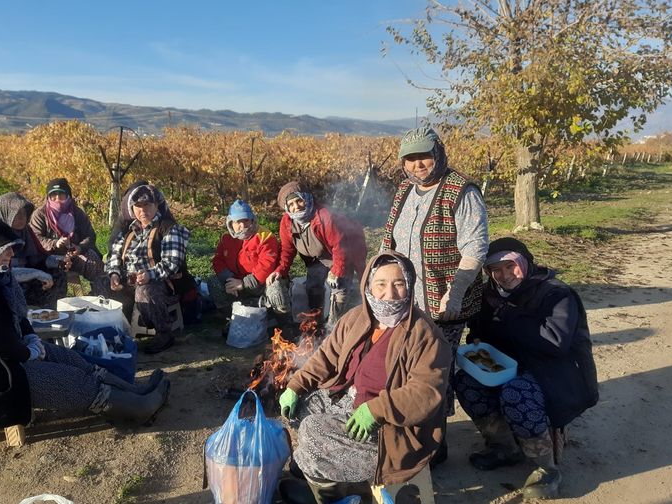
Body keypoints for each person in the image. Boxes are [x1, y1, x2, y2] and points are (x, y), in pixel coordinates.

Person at [0, 214, 170, 434]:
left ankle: (135, 393)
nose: (11, 255)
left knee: (75, 361)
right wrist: (28, 351)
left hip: (4, 357)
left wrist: (30, 337)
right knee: (70, 382)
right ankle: (139, 410)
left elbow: (17, 315)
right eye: (5, 251)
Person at [277, 251, 451, 504]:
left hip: (391, 427)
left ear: (410, 287)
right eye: (380, 284)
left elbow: (426, 392)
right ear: (368, 285)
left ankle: (337, 494)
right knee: (302, 408)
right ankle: (327, 475)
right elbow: (325, 357)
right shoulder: (357, 317)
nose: (389, 294)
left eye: (399, 284)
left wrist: (377, 409)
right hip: (352, 399)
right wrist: (295, 386)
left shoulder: (426, 335)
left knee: (313, 430)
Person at [454, 237, 598, 499]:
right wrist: (477, 340)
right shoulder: (490, 295)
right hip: (505, 367)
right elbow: (481, 331)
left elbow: (555, 342)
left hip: (552, 373)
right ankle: (503, 446)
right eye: (495, 270)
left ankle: (546, 466)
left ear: (525, 262)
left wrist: (510, 314)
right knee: (465, 381)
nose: (504, 275)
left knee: (515, 391)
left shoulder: (556, 294)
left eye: (510, 266)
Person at [380, 126, 488, 464]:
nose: (416, 165)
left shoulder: (461, 191)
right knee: (407, 369)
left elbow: (475, 245)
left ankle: (435, 446)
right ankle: (415, 437)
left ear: (438, 153)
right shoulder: (404, 191)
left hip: (444, 305)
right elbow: (389, 240)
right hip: (407, 303)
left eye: (423, 156)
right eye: (409, 159)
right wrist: (377, 284)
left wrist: (455, 291)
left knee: (435, 374)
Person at [266, 180, 367, 331]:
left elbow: (340, 246)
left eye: (299, 200)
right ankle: (316, 323)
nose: (296, 206)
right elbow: (287, 250)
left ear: (307, 198)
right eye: (291, 204)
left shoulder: (323, 217)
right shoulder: (287, 223)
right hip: (318, 258)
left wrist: (337, 271)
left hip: (348, 249)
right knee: (314, 287)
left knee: (340, 288)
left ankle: (335, 326)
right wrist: (281, 270)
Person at [105, 184, 193, 354]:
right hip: (130, 281)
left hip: (162, 284)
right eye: (138, 206)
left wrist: (150, 275)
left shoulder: (168, 228)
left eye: (147, 205)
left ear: (156, 206)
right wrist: (114, 273)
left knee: (145, 291)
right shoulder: (128, 230)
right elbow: (114, 255)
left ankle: (164, 333)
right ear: (132, 208)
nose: (142, 210)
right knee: (102, 283)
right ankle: (116, 331)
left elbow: (171, 263)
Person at [0, 192, 68, 308]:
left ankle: (48, 313)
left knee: (58, 273)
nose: (23, 217)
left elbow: (40, 257)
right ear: (5, 214)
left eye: (24, 213)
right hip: (5, 283)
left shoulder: (26, 232)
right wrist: (36, 273)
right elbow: (2, 273)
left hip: (29, 278)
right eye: (17, 213)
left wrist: (60, 261)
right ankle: (24, 315)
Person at [29, 177, 106, 295]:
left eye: (61, 195)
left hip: (75, 254)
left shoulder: (77, 213)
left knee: (94, 262)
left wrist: (80, 247)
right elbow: (35, 237)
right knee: (55, 275)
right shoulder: (40, 215)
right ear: (48, 197)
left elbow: (90, 235)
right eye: (53, 195)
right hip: (50, 256)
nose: (57, 199)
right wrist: (55, 243)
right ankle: (55, 306)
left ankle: (98, 299)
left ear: (68, 196)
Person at [207, 199, 280, 311]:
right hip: (234, 283)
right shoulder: (226, 238)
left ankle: (280, 319)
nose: (243, 226)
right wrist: (229, 280)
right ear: (230, 223)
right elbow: (218, 260)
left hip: (260, 284)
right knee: (214, 282)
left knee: (276, 287)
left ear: (252, 220)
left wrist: (244, 283)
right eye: (238, 222)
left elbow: (267, 265)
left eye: (246, 221)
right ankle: (229, 315)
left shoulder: (265, 237)